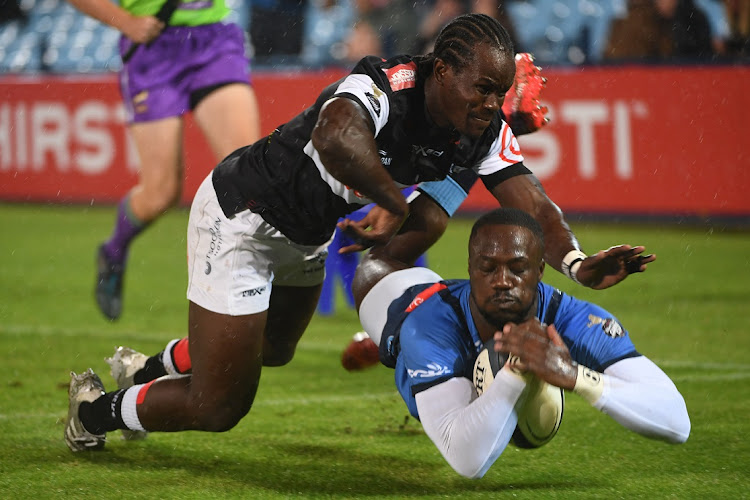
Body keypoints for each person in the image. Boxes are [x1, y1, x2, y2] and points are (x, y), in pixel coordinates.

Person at [64, 13, 649, 452]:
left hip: (305, 235)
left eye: (500, 94)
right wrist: (391, 201)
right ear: (441, 71)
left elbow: (528, 203)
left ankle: (145, 370)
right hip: (241, 216)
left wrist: (574, 261)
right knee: (219, 405)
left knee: (274, 348)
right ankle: (95, 411)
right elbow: (335, 137)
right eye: (483, 90)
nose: (493, 105)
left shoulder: (478, 130)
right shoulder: (384, 83)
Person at [348, 207, 690, 478]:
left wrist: (575, 377)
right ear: (470, 268)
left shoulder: (570, 318)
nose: (502, 281)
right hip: (396, 294)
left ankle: (464, 156)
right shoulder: (429, 326)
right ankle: (459, 160)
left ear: (540, 271)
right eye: (488, 268)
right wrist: (516, 372)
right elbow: (467, 462)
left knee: (476, 387)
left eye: (517, 268)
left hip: (449, 330)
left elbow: (677, 422)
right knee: (394, 249)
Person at [66, 0, 262, 320]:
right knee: (162, 193)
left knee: (249, 175)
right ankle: (113, 250)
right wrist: (125, 21)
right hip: (153, 46)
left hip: (213, 39)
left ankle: (240, 299)